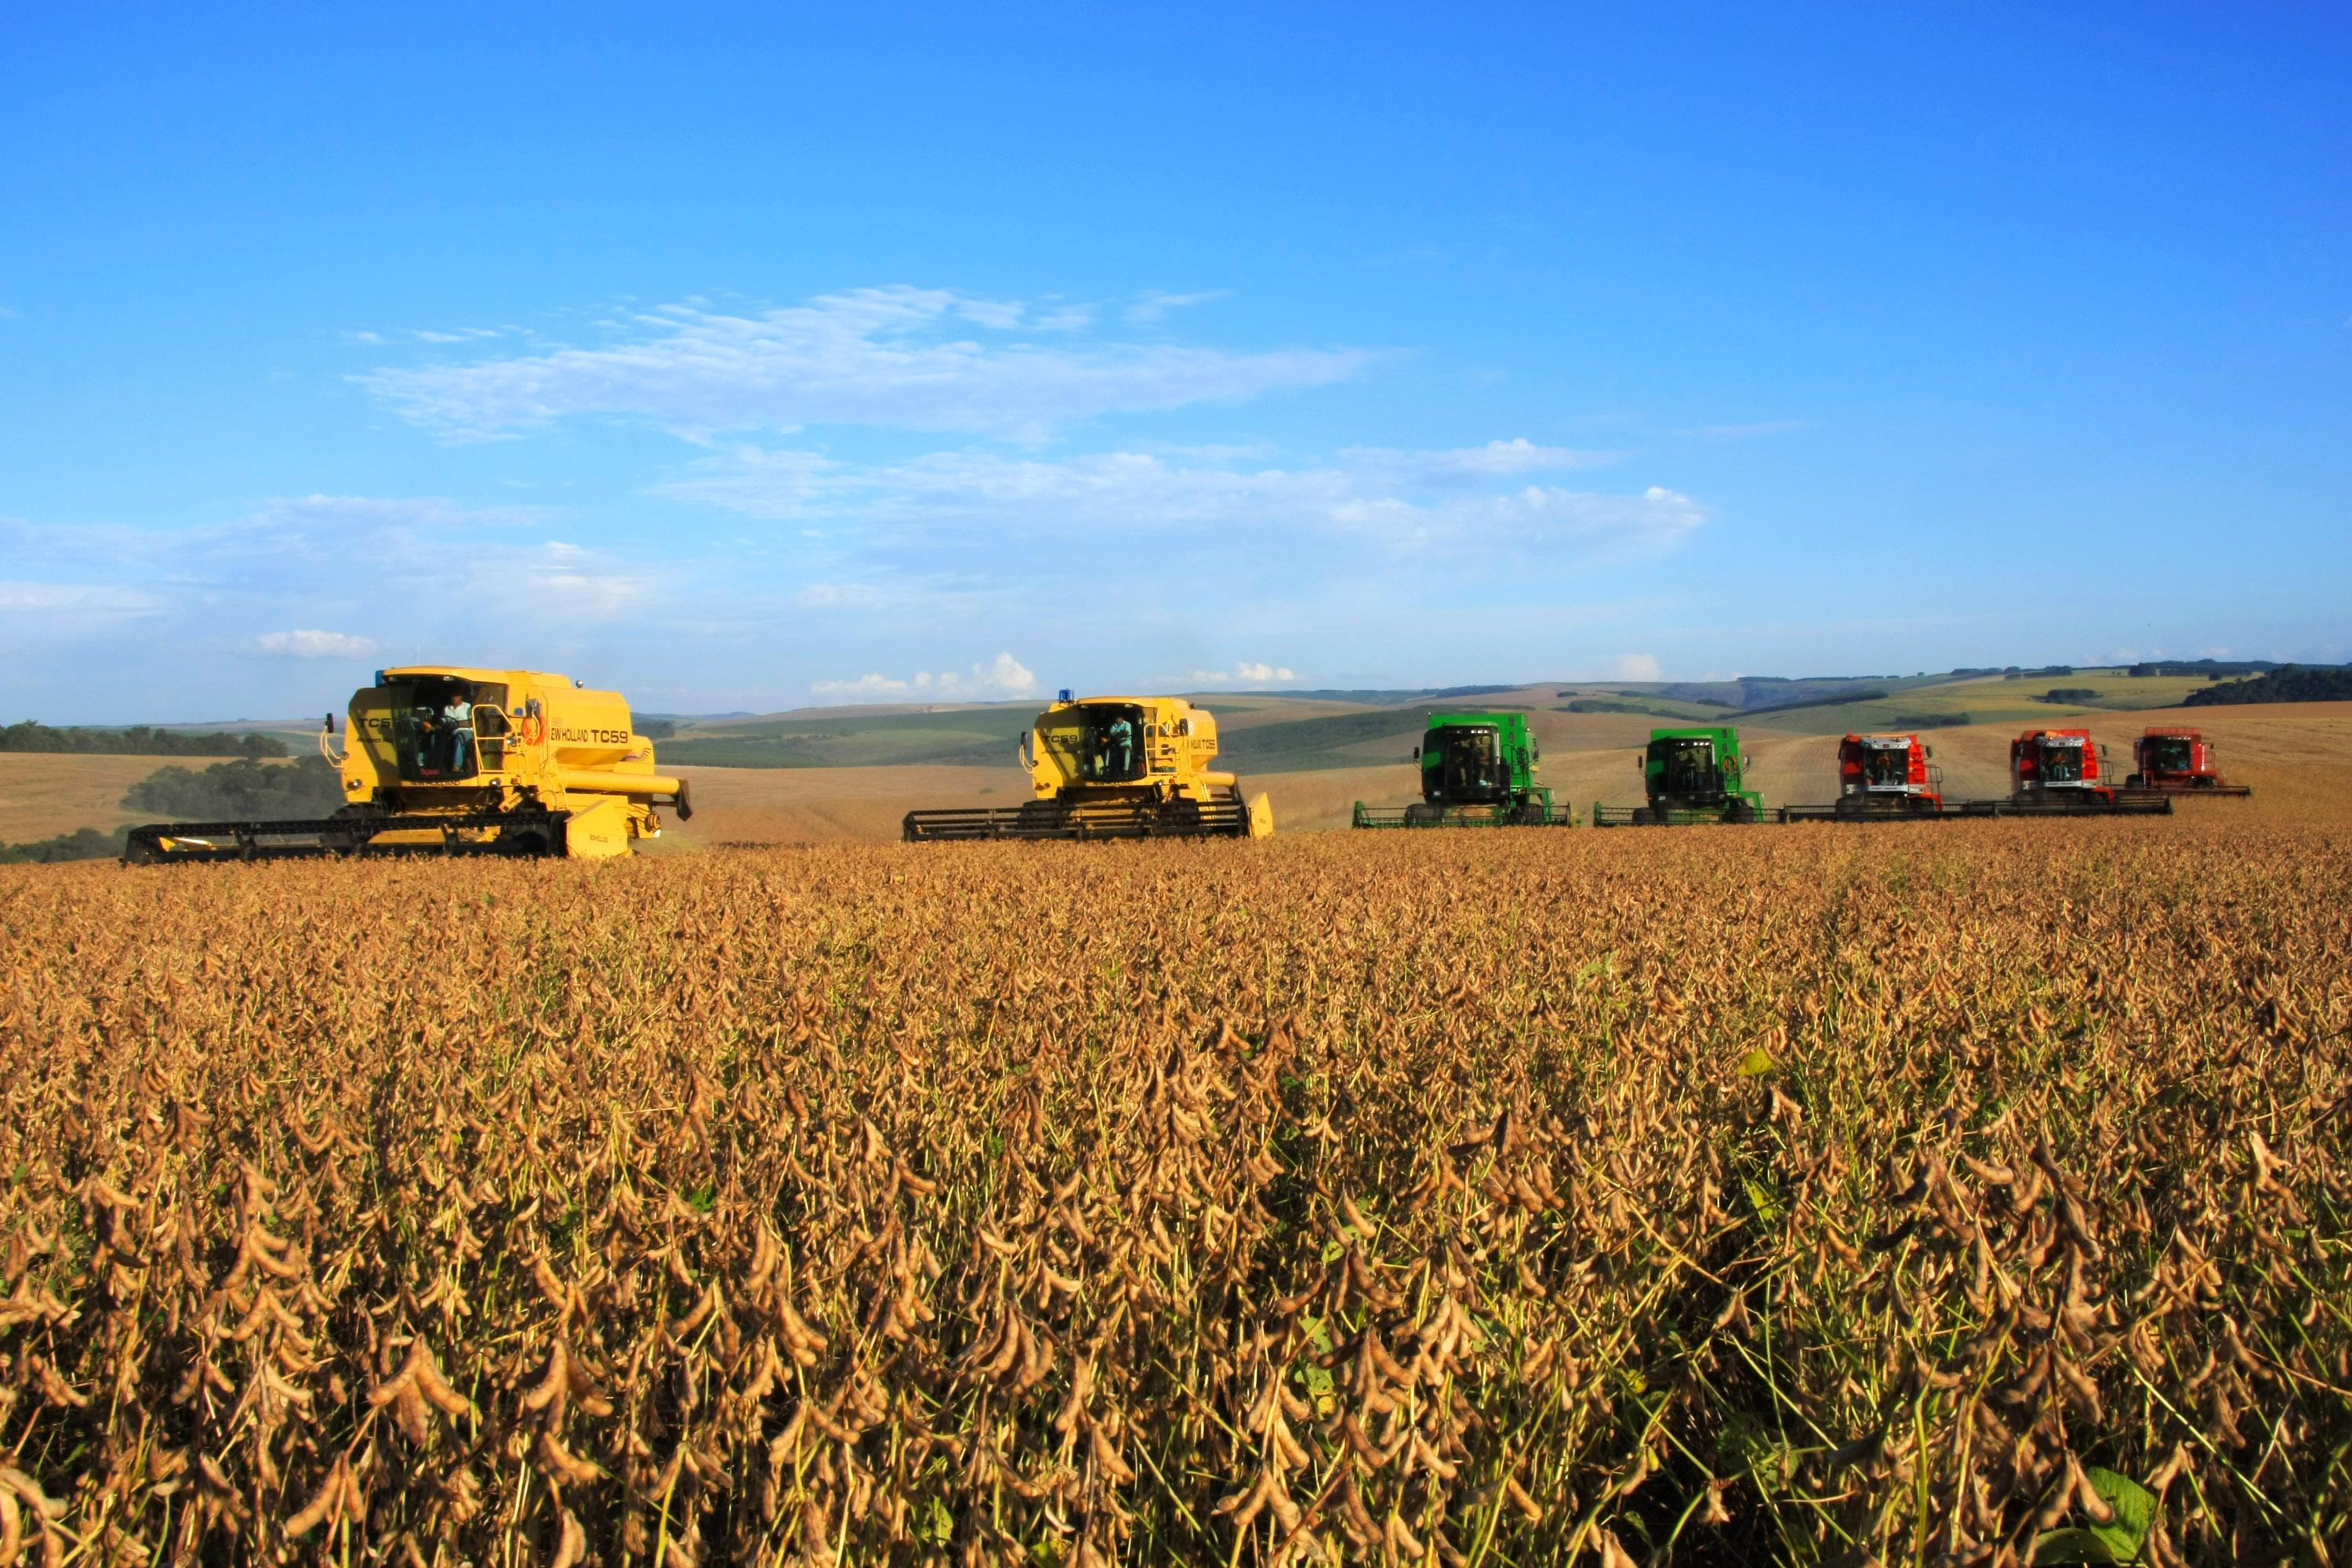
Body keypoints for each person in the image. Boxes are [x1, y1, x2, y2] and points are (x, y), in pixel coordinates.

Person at [442, 691, 476, 777]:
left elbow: (471, 723)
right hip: (451, 732)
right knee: (434, 737)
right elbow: (443, 722)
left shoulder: (468, 707)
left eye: (456, 696)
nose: (454, 698)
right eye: (452, 696)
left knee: (460, 737)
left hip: (466, 731)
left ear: (461, 696)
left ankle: (457, 765)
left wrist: (456, 724)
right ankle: (435, 765)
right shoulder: (447, 708)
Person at [1105, 712, 1136, 779]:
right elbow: (1110, 735)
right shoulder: (1114, 725)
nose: (1117, 720)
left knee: (1127, 751)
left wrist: (1117, 733)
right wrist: (1118, 734)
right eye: (1116, 718)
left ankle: (1125, 769)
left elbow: (1126, 732)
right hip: (1116, 744)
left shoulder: (1127, 724)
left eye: (1118, 718)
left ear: (1121, 718)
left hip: (1125, 743)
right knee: (1108, 750)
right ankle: (1107, 768)